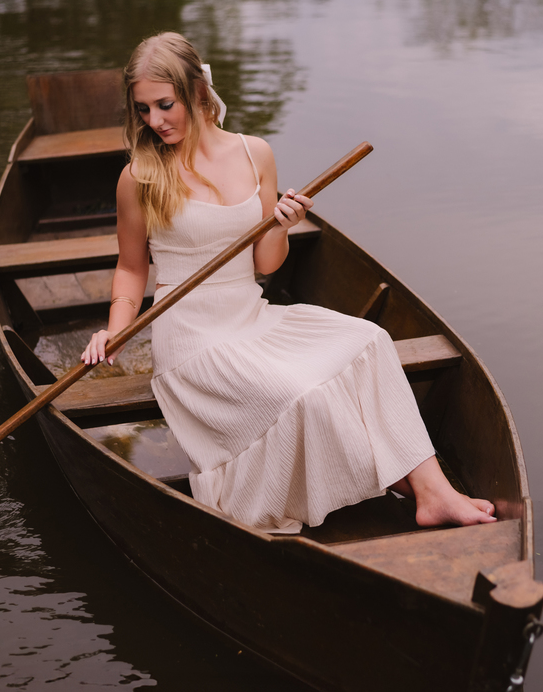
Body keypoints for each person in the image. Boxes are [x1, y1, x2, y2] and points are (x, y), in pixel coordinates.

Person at [82, 31, 495, 533]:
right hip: (191, 337)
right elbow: (131, 268)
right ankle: (400, 479)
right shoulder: (140, 176)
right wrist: (115, 330)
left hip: (250, 314)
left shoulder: (255, 154)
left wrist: (280, 227)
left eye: (164, 105)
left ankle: (434, 492)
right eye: (143, 109)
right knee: (303, 392)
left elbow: (265, 265)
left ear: (196, 90)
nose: (154, 121)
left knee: (370, 341)